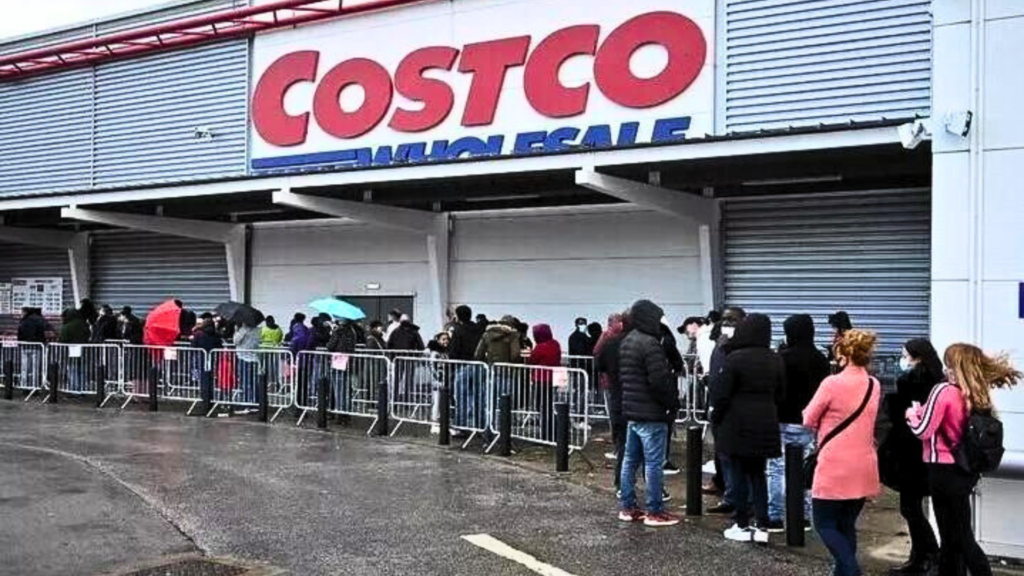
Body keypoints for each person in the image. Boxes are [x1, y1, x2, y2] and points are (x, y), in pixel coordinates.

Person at [907, 344, 1020, 576]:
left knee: (956, 536)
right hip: (965, 470)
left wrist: (911, 413)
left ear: (954, 365)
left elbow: (923, 430)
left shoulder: (943, 391)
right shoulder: (975, 393)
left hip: (942, 470)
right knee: (955, 534)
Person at [803, 330, 882, 576]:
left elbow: (808, 418)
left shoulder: (832, 383)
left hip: (834, 464)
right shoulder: (873, 384)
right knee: (846, 524)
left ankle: (851, 570)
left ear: (843, 354)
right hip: (864, 463)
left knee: (824, 524)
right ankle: (843, 571)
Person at [712, 313, 784, 543]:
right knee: (758, 475)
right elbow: (781, 394)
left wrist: (717, 418)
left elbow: (722, 395)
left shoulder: (735, 358)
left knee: (738, 475)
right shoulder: (776, 359)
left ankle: (741, 524)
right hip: (766, 423)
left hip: (737, 424)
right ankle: (762, 526)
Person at [617, 299, 679, 527]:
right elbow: (659, 380)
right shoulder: (650, 344)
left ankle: (628, 506)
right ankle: (654, 510)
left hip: (633, 410)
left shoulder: (627, 341)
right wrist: (671, 403)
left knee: (629, 460)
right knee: (653, 463)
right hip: (652, 412)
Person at [766, 314, 829, 532]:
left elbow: (774, 389)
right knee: (805, 468)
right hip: (809, 422)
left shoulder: (782, 358)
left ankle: (775, 515)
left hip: (782, 419)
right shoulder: (820, 360)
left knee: (776, 468)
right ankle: (802, 516)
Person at [706, 306, 746, 511]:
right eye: (724, 319)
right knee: (723, 455)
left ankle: (738, 500)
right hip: (718, 405)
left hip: (732, 409)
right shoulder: (720, 343)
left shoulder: (740, 347)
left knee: (734, 457)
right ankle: (730, 495)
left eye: (732, 320)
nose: (727, 324)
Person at [449, 305, 486, 429]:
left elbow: (453, 350)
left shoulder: (458, 330)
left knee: (461, 397)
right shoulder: (479, 329)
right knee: (479, 397)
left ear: (458, 316)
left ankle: (461, 426)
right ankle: (480, 425)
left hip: (462, 365)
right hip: (479, 366)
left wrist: (453, 366)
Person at [527, 323, 561, 442]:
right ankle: (555, 430)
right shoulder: (555, 344)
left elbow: (532, 360)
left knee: (541, 406)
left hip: (542, 379)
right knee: (549, 406)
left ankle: (547, 434)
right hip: (555, 378)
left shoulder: (540, 347)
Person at [326, 318, 359, 413]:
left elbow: (330, 346)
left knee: (338, 389)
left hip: (338, 362)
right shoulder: (353, 332)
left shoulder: (338, 331)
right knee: (346, 388)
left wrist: (332, 334)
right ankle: (346, 412)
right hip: (348, 362)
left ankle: (339, 411)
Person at [59, 308, 91, 393]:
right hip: (84, 350)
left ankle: (74, 389)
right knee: (82, 370)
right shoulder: (84, 324)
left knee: (73, 369)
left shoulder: (67, 326)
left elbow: (63, 339)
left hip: (71, 350)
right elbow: (89, 334)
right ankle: (82, 389)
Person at [233, 321, 263, 405]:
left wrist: (236, 330)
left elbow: (235, 341)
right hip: (255, 358)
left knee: (245, 382)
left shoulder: (244, 330)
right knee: (254, 382)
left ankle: (247, 403)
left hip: (244, 358)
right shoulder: (258, 330)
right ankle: (256, 402)